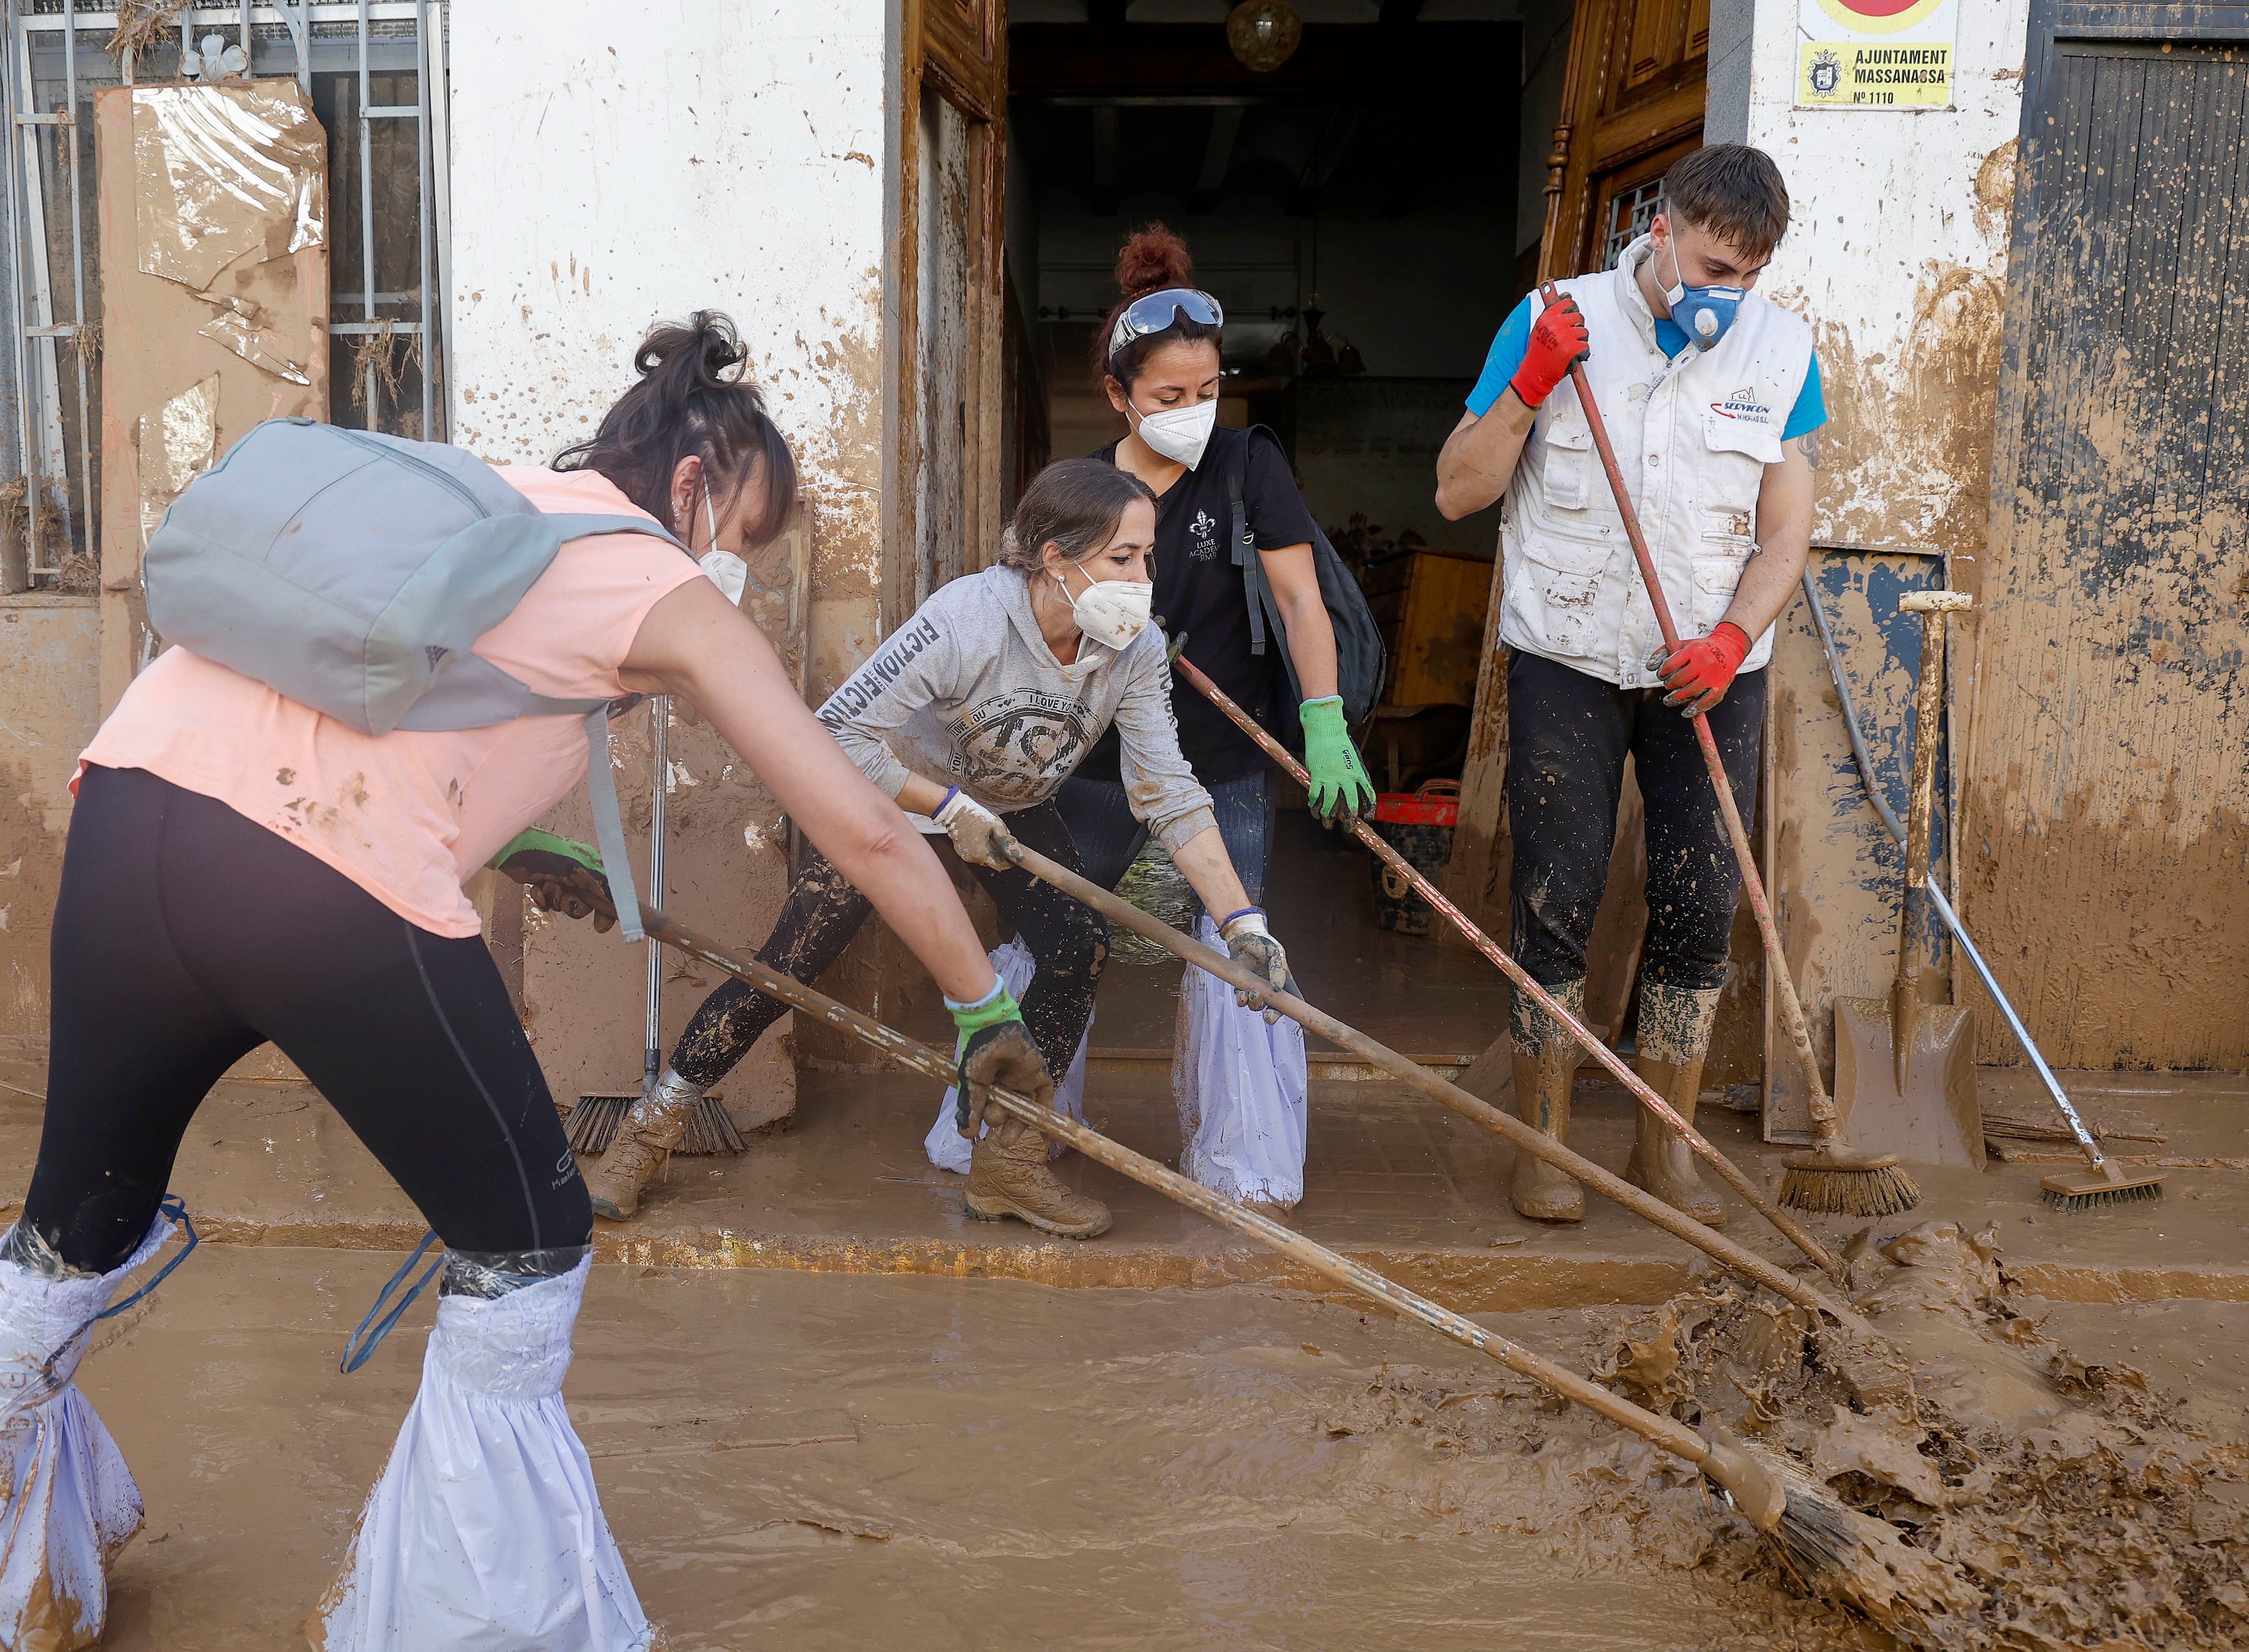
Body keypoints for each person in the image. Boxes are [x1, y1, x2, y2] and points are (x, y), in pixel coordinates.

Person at [0, 315, 1060, 1652]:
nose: (743, 572)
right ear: (693, 488)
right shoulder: (654, 579)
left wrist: (527, 850)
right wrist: (981, 1006)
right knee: (526, 1243)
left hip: (123, 818)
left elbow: (374, 721)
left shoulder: (477, 506)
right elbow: (853, 820)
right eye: (750, 535)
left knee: (76, 1227)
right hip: (313, 883)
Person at [573, 457, 1295, 1241]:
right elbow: (836, 735)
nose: (1142, 578)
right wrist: (948, 805)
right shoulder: (968, 620)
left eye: (1147, 558)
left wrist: (1243, 925)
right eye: (1123, 558)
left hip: (1013, 806)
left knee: (1078, 944)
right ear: (1055, 557)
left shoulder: (1136, 650)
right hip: (899, 798)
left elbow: (1170, 792)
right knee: (787, 963)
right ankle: (649, 1132)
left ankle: (1010, 1160)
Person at [1432, 144, 1825, 1229]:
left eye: (1741, 278)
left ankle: (1667, 1150)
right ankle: (1544, 1146)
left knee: (1699, 907)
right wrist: (1527, 385)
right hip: (1567, 653)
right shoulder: (1556, 317)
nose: (1721, 296)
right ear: (1660, 231)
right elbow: (1458, 490)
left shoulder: (1782, 350)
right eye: (1705, 267)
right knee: (1556, 896)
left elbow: (1787, 529)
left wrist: (1735, 631)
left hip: (1709, 670)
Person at [1057, 224, 1370, 1218]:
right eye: (1166, 399)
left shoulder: (1248, 465)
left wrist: (1324, 720)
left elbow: (1300, 599)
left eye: (1207, 393)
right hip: (1101, 756)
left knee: (1236, 935)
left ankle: (1241, 1155)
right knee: (1061, 925)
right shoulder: (1080, 491)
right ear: (1118, 397)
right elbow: (1041, 624)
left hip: (1227, 754)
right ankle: (1018, 1124)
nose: (1193, 415)